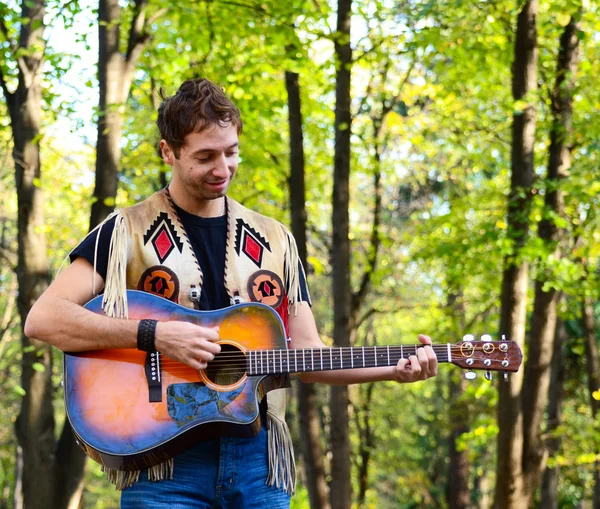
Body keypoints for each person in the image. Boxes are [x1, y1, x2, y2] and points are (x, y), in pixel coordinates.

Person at [24, 78, 438, 509]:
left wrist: (394, 368)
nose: (223, 169)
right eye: (205, 156)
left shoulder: (277, 240)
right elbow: (45, 318)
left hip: (259, 461)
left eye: (231, 152)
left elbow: (309, 354)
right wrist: (154, 335)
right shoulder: (124, 232)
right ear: (169, 151)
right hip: (162, 463)